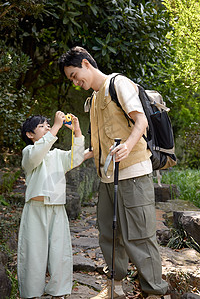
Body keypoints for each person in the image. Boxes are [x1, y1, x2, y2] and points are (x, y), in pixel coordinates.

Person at [58, 47, 169, 299]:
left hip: (132, 172)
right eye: (71, 80)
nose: (76, 82)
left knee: (140, 235)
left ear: (86, 64)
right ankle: (116, 285)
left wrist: (127, 145)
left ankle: (155, 291)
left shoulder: (118, 84)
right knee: (109, 233)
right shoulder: (95, 98)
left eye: (76, 75)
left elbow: (140, 121)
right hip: (107, 177)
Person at [17, 111, 85, 299]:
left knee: (59, 251)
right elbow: (38, 153)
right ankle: (31, 293)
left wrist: (77, 132)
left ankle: (59, 290)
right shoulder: (29, 152)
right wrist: (56, 126)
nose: (47, 126)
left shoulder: (57, 155)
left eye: (49, 124)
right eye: (42, 126)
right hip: (35, 210)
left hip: (57, 208)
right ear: (30, 135)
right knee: (33, 252)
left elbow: (76, 158)